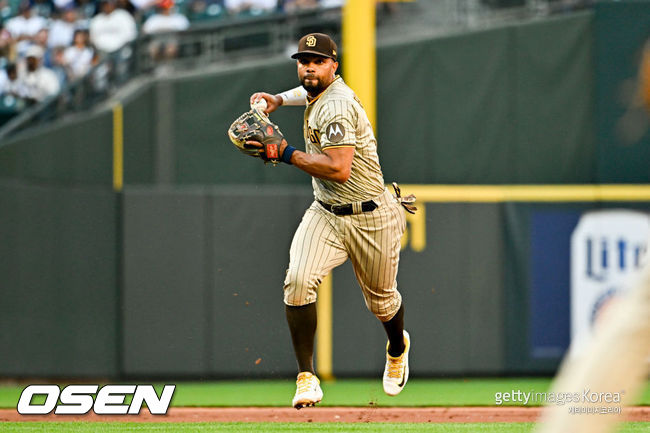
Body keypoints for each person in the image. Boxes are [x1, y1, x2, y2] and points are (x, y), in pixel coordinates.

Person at [249, 33, 413, 409]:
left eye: (318, 60)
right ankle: (306, 377)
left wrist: (285, 152)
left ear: (333, 66)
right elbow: (306, 92)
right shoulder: (318, 92)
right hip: (325, 212)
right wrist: (277, 99)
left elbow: (339, 169)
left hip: (371, 215)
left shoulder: (336, 106)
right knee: (298, 281)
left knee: (382, 303)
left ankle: (398, 347)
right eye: (303, 59)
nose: (309, 66)